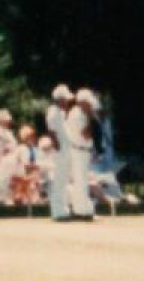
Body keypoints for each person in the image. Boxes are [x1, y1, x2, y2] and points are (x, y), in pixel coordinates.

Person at [66, 88, 97, 220]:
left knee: (83, 181)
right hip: (78, 151)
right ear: (81, 102)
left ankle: (85, 209)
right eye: (88, 103)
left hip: (83, 151)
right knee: (80, 181)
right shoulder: (77, 115)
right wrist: (91, 118)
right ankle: (80, 211)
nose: (90, 106)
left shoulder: (81, 113)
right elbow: (86, 135)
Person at [45, 84, 74, 220]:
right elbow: (51, 131)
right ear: (59, 99)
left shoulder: (61, 112)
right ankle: (57, 211)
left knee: (63, 181)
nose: (67, 102)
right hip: (60, 151)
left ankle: (63, 208)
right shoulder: (53, 112)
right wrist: (58, 147)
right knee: (59, 181)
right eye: (65, 99)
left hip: (65, 150)